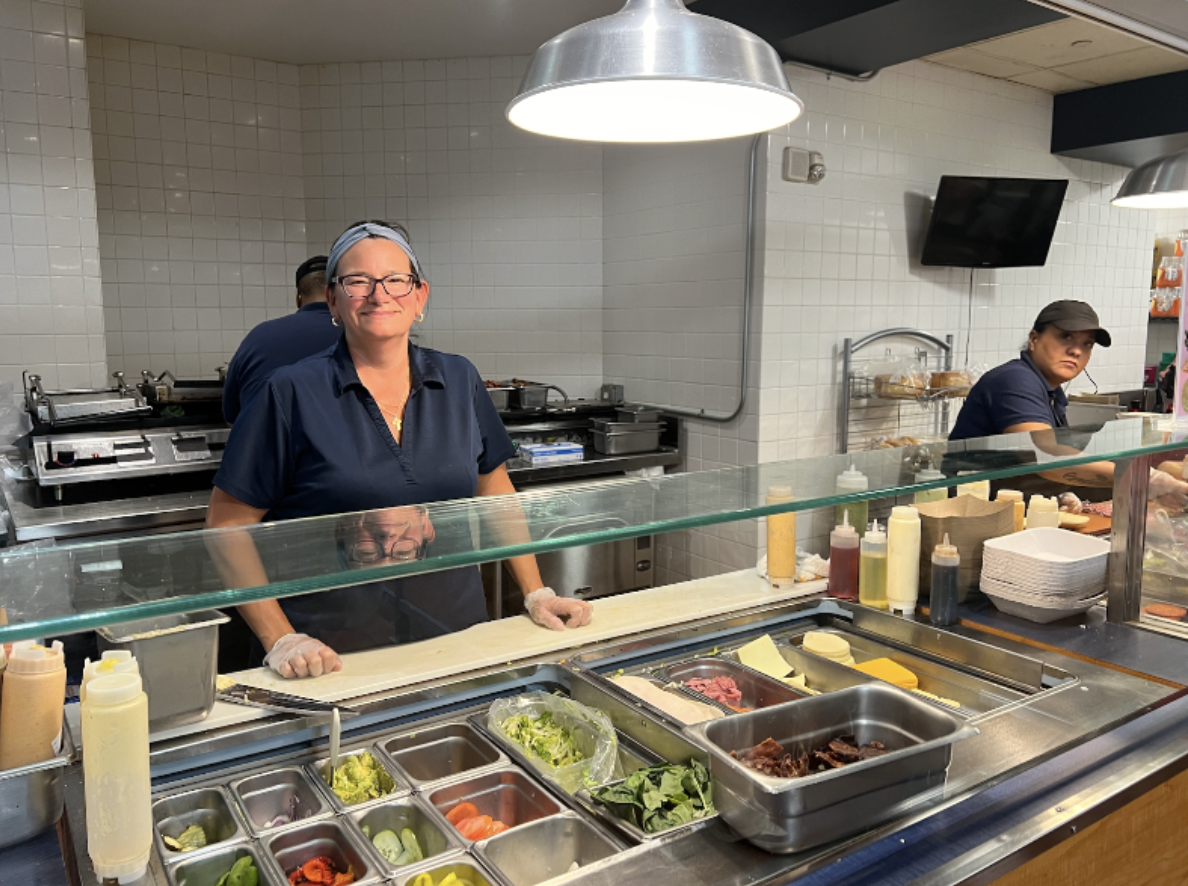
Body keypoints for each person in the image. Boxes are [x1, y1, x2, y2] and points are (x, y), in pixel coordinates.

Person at [205, 221, 592, 679]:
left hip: (454, 634)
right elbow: (226, 525)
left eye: (395, 280)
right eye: (357, 281)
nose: (378, 294)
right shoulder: (290, 391)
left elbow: (495, 488)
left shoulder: (459, 379)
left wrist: (536, 593)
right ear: (332, 299)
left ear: (420, 295)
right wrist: (282, 639)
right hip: (329, 653)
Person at [948, 299, 1188, 502]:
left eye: (1087, 344)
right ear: (1034, 339)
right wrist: (1145, 480)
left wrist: (1059, 497)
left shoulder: (1050, 392)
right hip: (969, 513)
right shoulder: (1015, 380)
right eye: (1065, 337)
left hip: (1001, 507)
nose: (1077, 351)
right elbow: (1047, 456)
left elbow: (1034, 464)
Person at [221, 254, 341, 423]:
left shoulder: (259, 335)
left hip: (266, 446)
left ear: (298, 296)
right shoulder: (359, 337)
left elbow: (231, 414)